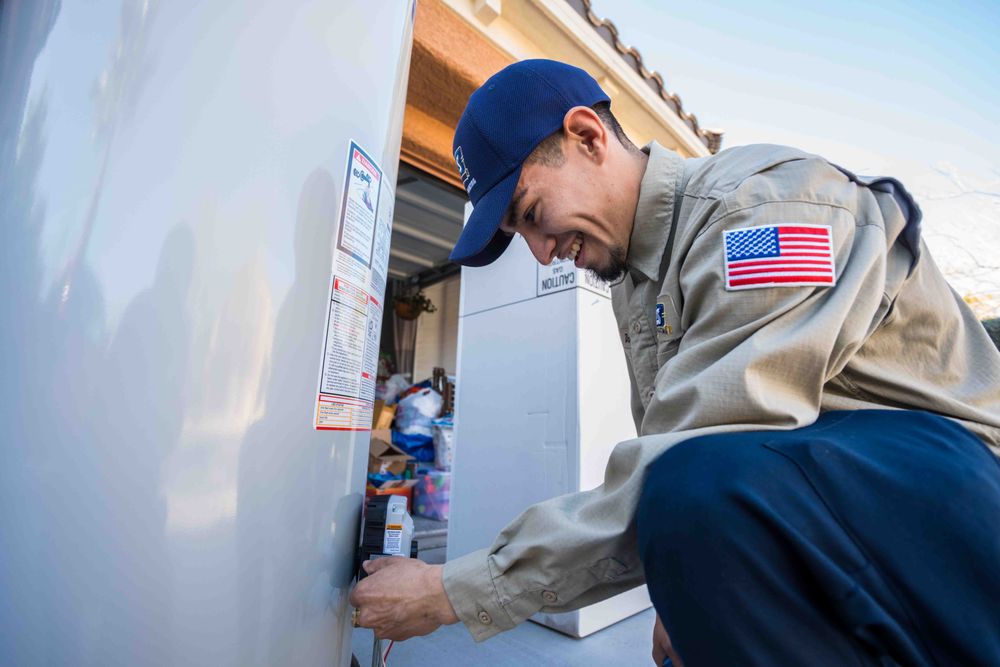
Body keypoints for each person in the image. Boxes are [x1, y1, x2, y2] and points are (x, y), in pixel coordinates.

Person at [350, 59, 1000, 666]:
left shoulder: (759, 213)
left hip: (960, 516)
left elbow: (699, 453)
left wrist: (454, 590)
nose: (543, 253)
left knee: (689, 486)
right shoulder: (637, 274)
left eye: (531, 215)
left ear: (587, 136)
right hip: (863, 520)